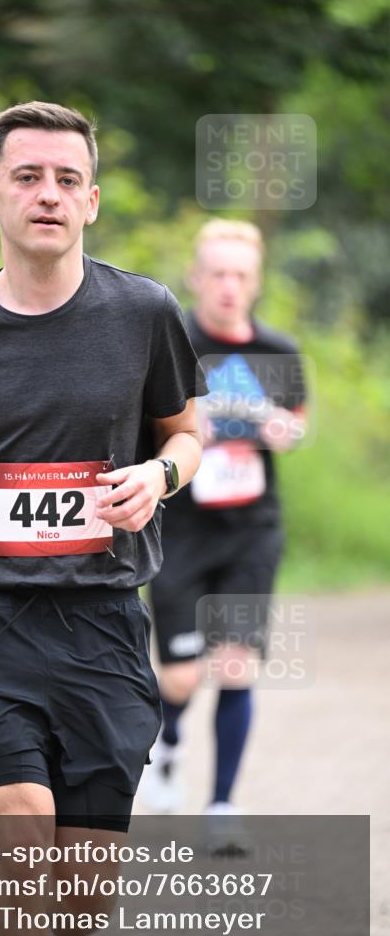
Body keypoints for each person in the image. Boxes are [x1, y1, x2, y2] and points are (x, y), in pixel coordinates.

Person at [0, 101, 207, 936]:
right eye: (27, 176)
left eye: (67, 179)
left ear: (91, 200)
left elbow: (185, 433)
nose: (47, 194)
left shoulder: (144, 313)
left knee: (80, 890)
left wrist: (159, 476)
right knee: (19, 835)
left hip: (102, 621)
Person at [140, 219, 308, 827]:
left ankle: (221, 805)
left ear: (255, 282)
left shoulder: (278, 352)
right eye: (217, 274)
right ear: (196, 277)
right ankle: (170, 745)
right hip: (180, 528)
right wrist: (179, 435)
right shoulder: (171, 341)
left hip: (250, 529)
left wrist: (283, 431)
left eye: (240, 275)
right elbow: (136, 426)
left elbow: (296, 423)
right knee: (181, 678)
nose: (228, 287)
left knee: (236, 664)